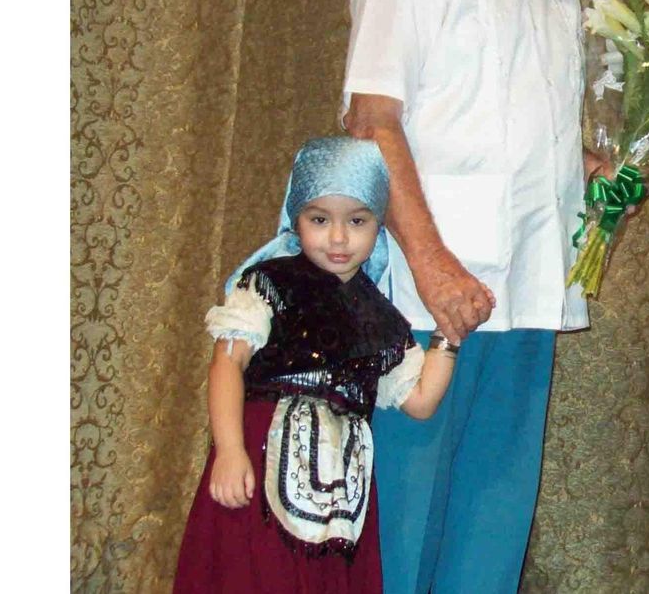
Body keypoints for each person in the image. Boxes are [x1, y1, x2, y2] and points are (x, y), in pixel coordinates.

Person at [340, 0, 601, 594]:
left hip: (527, 295)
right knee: (400, 531)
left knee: (490, 532)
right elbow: (371, 121)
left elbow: (524, 133)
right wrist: (433, 266)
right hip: (426, 304)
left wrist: (594, 174)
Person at [172, 136, 457, 594]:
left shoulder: (381, 317)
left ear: (378, 223)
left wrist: (449, 335)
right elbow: (227, 365)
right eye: (320, 219)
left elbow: (419, 401)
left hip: (341, 486)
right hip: (260, 460)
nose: (339, 238)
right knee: (253, 575)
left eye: (357, 221)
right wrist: (229, 449)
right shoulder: (271, 282)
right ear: (296, 218)